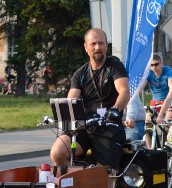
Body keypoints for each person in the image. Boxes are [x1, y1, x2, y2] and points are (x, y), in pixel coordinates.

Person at [49, 28, 129, 169]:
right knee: (57, 153)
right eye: (93, 44)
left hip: (108, 126)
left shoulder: (114, 66)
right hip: (85, 126)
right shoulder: (80, 73)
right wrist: (64, 113)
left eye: (101, 43)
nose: (97, 47)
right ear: (86, 47)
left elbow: (124, 91)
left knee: (104, 174)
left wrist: (115, 110)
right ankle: (77, 183)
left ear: (106, 46)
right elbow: (71, 99)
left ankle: (103, 186)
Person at [135, 52, 172, 148]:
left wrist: (170, 96)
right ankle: (150, 150)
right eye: (151, 65)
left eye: (156, 64)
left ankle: (168, 146)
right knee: (147, 124)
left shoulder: (169, 71)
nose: (154, 67)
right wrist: (133, 96)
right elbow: (140, 88)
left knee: (167, 121)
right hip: (155, 103)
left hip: (169, 101)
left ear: (161, 63)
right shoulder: (149, 73)